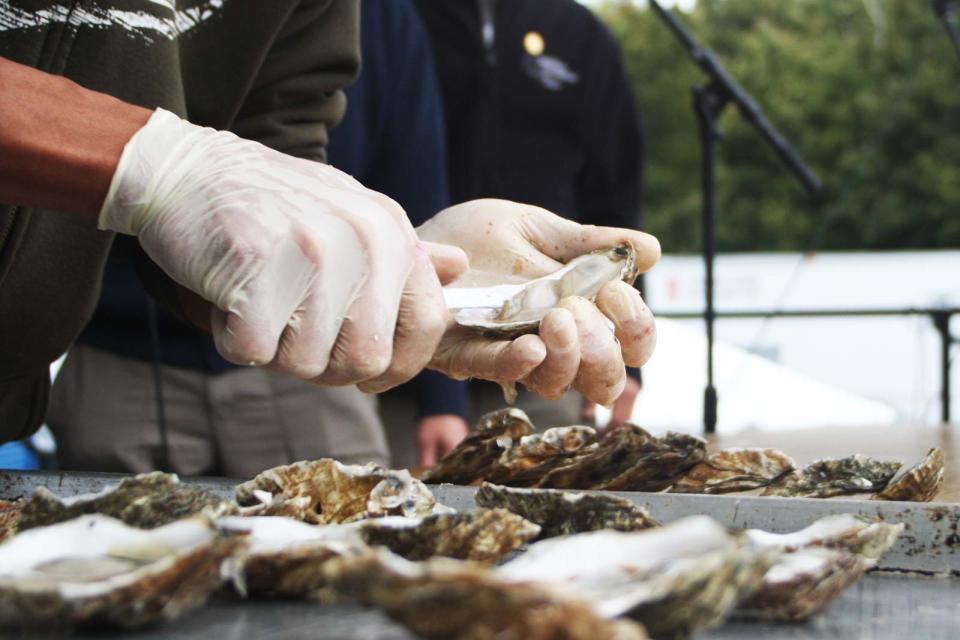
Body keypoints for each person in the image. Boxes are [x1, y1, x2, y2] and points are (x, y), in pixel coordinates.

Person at [0, 1, 660, 453]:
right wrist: (149, 159)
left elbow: (265, 193)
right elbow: (182, 183)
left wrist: (395, 282)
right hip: (107, 359)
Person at [44, 0, 451, 478]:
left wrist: (434, 285)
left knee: (347, 530)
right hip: (111, 344)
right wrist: (159, 167)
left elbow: (404, 161)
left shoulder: (389, 19)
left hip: (311, 349)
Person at [402, 0, 648, 431]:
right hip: (407, 347)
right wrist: (438, 400)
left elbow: (617, 200)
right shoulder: (399, 17)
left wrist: (627, 360)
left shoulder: (580, 32)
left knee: (551, 488)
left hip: (554, 342)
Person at [326, 0, 471, 469]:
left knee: (362, 518)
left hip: (321, 342)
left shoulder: (388, 16)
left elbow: (416, 188)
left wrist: (443, 397)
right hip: (124, 345)